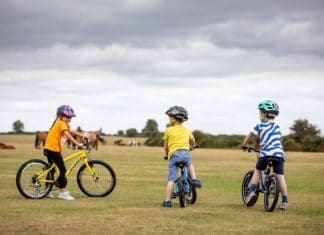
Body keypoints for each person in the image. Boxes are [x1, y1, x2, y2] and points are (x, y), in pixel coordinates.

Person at [242, 100, 288, 210]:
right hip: (279, 154)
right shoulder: (277, 127)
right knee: (280, 176)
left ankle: (252, 192)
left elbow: (250, 135)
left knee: (257, 171)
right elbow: (280, 139)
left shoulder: (260, 125)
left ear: (264, 113)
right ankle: (285, 201)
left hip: (266, 154)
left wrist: (244, 145)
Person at [161, 106, 202, 208]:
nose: (169, 119)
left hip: (174, 155)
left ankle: (167, 201)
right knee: (189, 164)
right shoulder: (187, 130)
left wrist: (166, 155)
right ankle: (194, 179)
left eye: (170, 117)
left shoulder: (168, 130)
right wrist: (193, 146)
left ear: (174, 118)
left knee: (171, 179)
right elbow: (193, 140)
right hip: (185, 153)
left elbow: (165, 147)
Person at [43, 105, 85, 200]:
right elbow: (67, 134)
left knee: (52, 170)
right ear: (60, 116)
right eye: (67, 116)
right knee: (63, 170)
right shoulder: (61, 123)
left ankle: (47, 190)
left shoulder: (60, 123)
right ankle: (63, 192)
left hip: (49, 148)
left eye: (70, 117)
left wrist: (81, 134)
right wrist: (77, 144)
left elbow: (70, 131)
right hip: (53, 149)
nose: (69, 119)